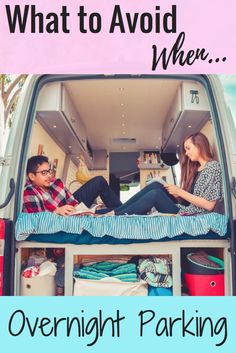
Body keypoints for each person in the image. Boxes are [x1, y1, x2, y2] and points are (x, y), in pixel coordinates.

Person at [98, 132, 223, 216]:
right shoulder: (198, 169)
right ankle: (115, 212)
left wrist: (179, 192)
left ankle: (116, 215)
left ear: (200, 146)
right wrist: (176, 192)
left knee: (156, 194)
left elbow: (209, 205)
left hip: (191, 214)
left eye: (188, 148)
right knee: (156, 185)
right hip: (185, 207)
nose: (186, 153)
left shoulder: (212, 167)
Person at [23, 155, 122, 216]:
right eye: (44, 173)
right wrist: (56, 211)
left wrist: (83, 209)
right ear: (32, 176)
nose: (49, 175)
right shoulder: (30, 192)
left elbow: (72, 199)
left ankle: (120, 210)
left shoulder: (56, 182)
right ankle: (122, 212)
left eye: (49, 171)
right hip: (65, 217)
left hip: (74, 209)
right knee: (114, 212)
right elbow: (35, 219)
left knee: (99, 181)